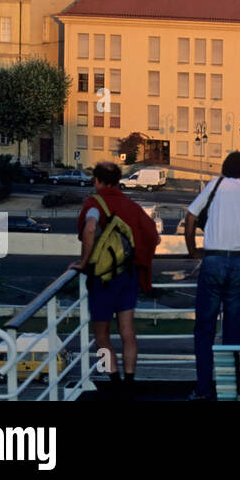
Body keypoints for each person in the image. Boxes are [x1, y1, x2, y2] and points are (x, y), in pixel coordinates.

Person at [184, 151, 240, 400]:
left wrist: (192, 249)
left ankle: (203, 389)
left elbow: (191, 216)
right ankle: (230, 388)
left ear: (225, 168)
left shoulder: (216, 185)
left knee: (204, 328)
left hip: (212, 260)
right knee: (234, 330)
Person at [75, 161, 160, 399]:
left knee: (101, 334)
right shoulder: (131, 205)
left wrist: (83, 262)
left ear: (98, 181)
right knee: (127, 331)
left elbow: (90, 228)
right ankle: (130, 381)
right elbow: (152, 235)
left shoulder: (95, 203)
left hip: (102, 279)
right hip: (128, 275)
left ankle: (112, 380)